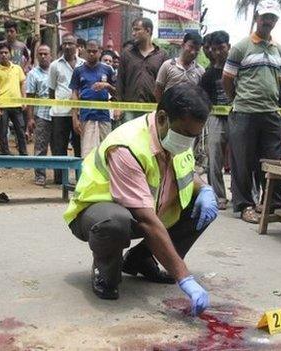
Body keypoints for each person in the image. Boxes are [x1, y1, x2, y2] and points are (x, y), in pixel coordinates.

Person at [63, 83, 217, 316]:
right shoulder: (128, 145)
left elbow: (185, 172)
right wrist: (184, 278)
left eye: (194, 136)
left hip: (149, 210)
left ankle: (141, 260)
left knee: (200, 208)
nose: (188, 141)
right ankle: (105, 271)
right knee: (115, 221)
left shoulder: (176, 134)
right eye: (185, 134)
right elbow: (145, 220)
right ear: (163, 117)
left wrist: (205, 190)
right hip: (97, 213)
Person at [222, 0, 281, 223]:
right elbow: (227, 79)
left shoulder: (280, 50)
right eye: (265, 17)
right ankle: (244, 205)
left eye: (272, 17)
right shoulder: (241, 47)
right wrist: (237, 101)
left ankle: (272, 204)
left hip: (270, 113)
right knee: (242, 160)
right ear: (257, 17)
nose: (268, 21)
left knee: (273, 161)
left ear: (276, 21)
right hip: (244, 112)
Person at [200, 31, 231, 210]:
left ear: (228, 47)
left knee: (241, 158)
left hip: (237, 116)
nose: (218, 52)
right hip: (215, 118)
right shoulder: (208, 73)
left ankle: (245, 197)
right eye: (215, 49)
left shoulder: (237, 69)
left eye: (222, 48)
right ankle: (218, 195)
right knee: (214, 157)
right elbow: (202, 96)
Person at [70, 40, 116, 158]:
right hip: (86, 115)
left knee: (106, 151)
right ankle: (88, 176)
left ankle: (104, 177)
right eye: (89, 51)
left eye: (94, 51)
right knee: (87, 153)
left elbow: (117, 92)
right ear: (84, 51)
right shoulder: (78, 70)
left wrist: (107, 86)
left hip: (104, 115)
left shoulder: (108, 69)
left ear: (99, 52)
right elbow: (74, 94)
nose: (91, 54)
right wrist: (75, 118)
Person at [116, 18, 167, 123]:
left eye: (137, 30)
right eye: (132, 30)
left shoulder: (162, 55)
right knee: (129, 138)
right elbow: (120, 81)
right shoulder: (127, 54)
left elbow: (165, 84)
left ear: (148, 31)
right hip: (129, 108)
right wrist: (118, 106)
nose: (133, 33)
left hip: (152, 108)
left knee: (150, 138)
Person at [49, 33, 84, 182]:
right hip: (60, 113)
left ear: (77, 46)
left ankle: (79, 178)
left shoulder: (83, 64)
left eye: (71, 43)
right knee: (59, 147)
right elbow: (51, 89)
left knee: (79, 146)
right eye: (65, 43)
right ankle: (59, 179)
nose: (68, 46)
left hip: (79, 113)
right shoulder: (55, 65)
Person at [0, 42, 27, 156]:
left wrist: (24, 99)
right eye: (1, 53)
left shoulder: (17, 68)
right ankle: (6, 154)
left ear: (10, 54)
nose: (4, 55)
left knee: (20, 130)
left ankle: (24, 154)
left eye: (6, 52)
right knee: (3, 131)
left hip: (17, 104)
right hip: (2, 106)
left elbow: (22, 84)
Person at [26, 44, 53, 185]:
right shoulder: (32, 74)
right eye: (40, 54)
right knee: (41, 146)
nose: (43, 56)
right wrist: (30, 118)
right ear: (37, 56)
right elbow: (29, 97)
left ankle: (59, 176)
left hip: (58, 113)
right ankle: (40, 175)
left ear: (51, 55)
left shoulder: (55, 70)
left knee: (57, 146)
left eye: (46, 53)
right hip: (41, 114)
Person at [154, 32, 205, 103]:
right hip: (169, 110)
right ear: (183, 45)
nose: (193, 52)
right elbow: (158, 90)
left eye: (197, 49)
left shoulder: (200, 70)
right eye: (191, 47)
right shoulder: (168, 65)